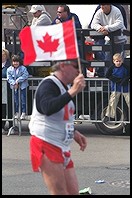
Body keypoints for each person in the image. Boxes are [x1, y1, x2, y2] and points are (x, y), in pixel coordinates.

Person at [28, 59, 87, 195]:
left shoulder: (64, 87)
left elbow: (62, 116)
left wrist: (74, 132)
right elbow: (47, 107)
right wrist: (72, 92)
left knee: (73, 191)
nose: (80, 72)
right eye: (76, 67)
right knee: (59, 192)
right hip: (47, 141)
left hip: (62, 145)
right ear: (62, 66)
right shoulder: (48, 84)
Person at [90, 4, 127, 77]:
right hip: (108, 40)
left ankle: (120, 79)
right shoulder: (99, 12)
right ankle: (107, 79)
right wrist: (100, 28)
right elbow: (93, 24)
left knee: (119, 61)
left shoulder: (116, 10)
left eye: (104, 5)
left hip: (120, 39)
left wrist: (107, 28)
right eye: (101, 5)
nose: (102, 7)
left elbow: (120, 23)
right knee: (107, 60)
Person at [102, 53, 130, 122]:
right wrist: (116, 80)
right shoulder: (112, 67)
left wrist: (125, 79)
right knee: (112, 101)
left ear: (122, 61)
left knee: (129, 101)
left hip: (125, 87)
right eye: (117, 61)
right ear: (114, 61)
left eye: (120, 61)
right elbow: (107, 75)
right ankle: (109, 115)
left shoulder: (125, 67)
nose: (118, 63)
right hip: (116, 87)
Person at [7, 55, 29, 120]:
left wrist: (18, 81)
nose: (15, 63)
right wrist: (14, 83)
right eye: (14, 62)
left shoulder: (23, 68)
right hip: (14, 87)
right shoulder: (9, 69)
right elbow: (9, 78)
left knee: (23, 100)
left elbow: (25, 75)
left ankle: (23, 112)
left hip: (22, 86)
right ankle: (17, 112)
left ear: (19, 62)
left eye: (17, 62)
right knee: (16, 100)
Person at [2, 49, 12, 134]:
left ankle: (11, 126)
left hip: (8, 89)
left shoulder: (10, 65)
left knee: (9, 107)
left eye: (3, 55)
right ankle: (2, 125)